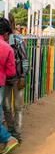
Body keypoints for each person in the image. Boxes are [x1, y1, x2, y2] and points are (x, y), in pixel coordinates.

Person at [3, 15, 29, 143]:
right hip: (6, 79)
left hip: (17, 78)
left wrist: (23, 77)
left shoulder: (18, 40)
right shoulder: (4, 41)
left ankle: (17, 134)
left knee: (18, 107)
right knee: (6, 106)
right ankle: (11, 130)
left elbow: (24, 59)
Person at [0, 18, 20, 154]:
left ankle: (8, 138)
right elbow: (11, 72)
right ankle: (8, 138)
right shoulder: (7, 48)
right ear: (6, 34)